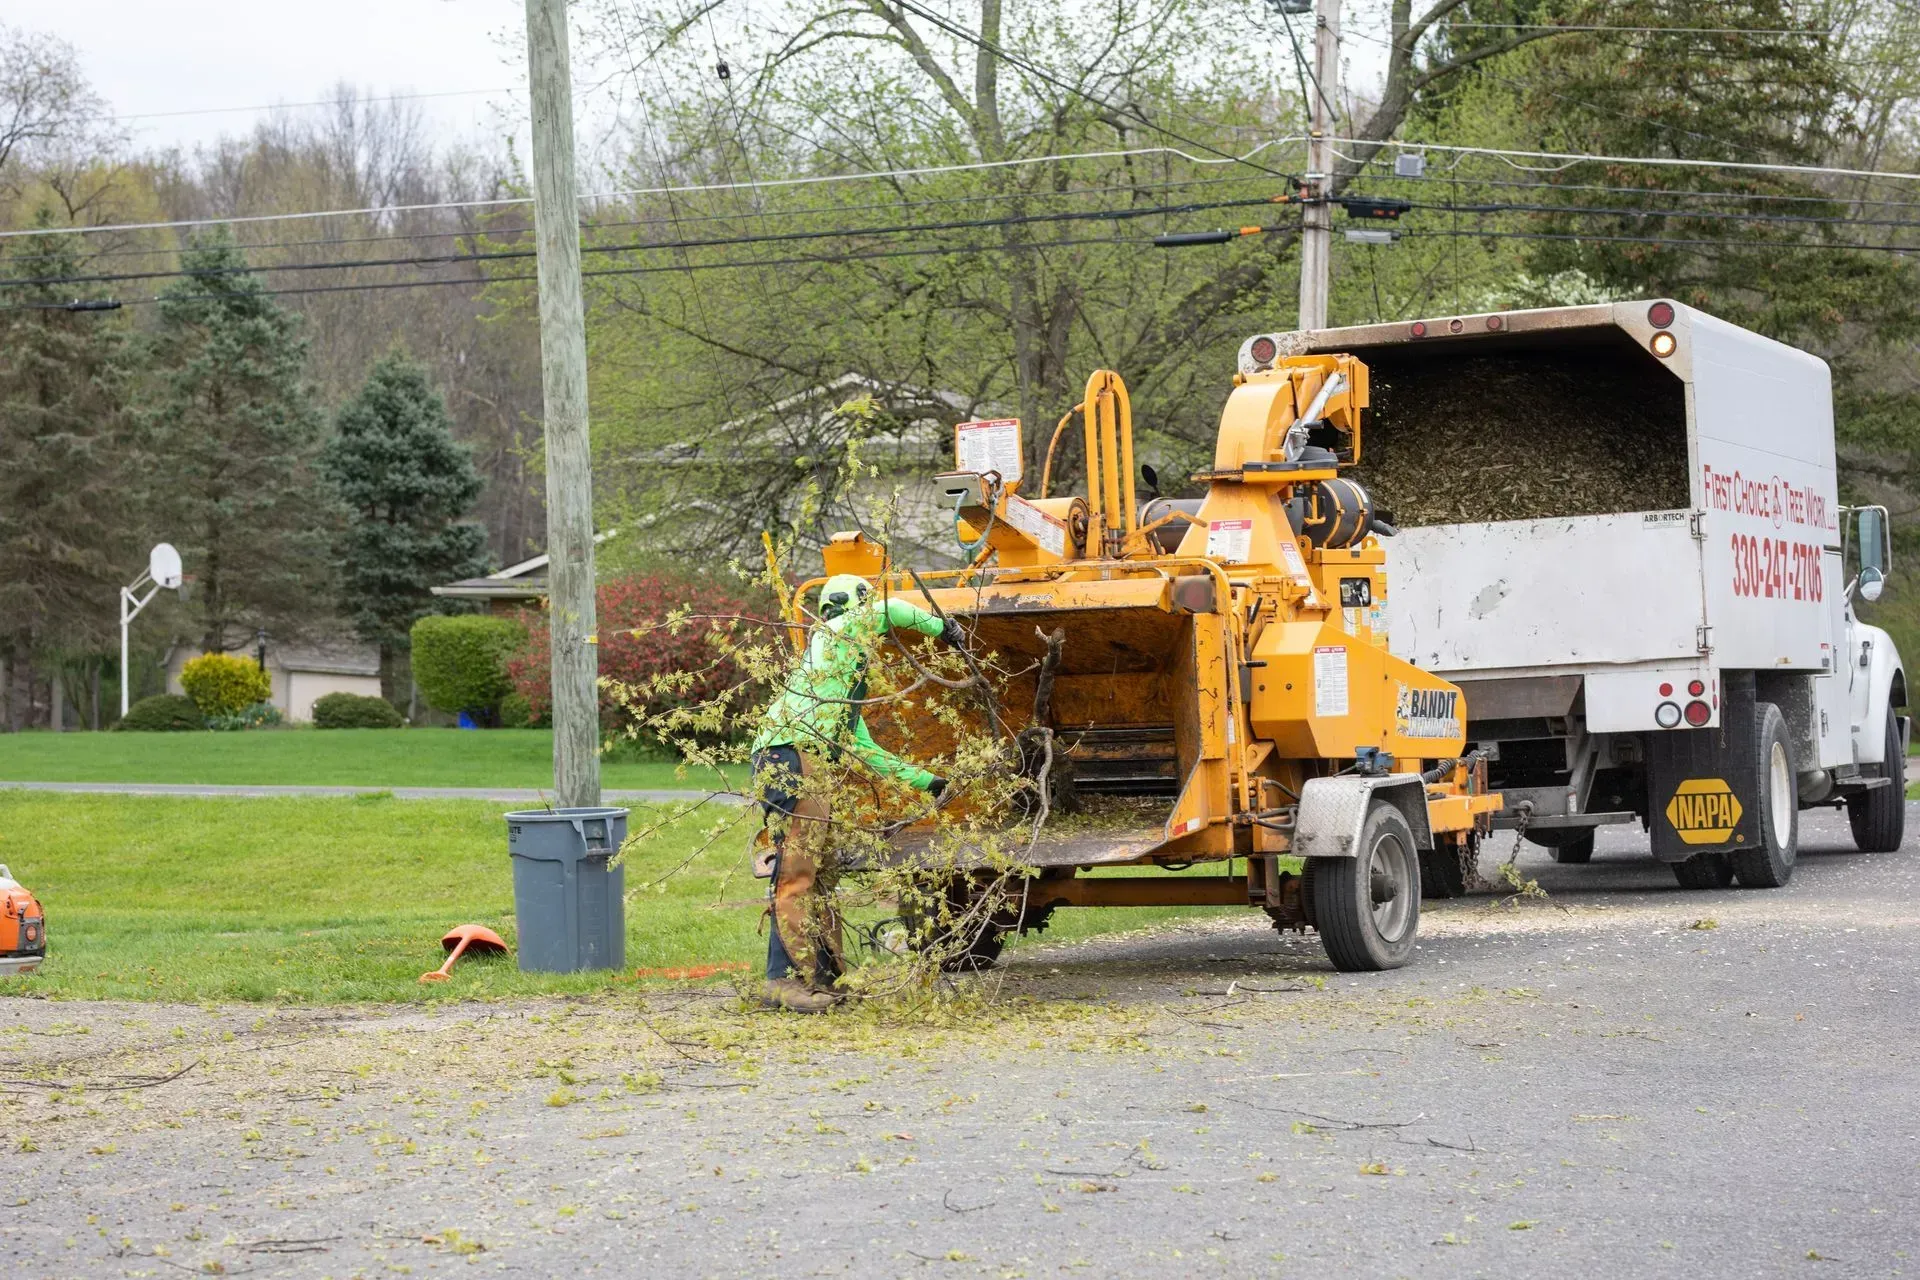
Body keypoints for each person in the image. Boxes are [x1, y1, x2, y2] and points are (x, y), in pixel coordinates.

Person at [750, 573, 961, 1013]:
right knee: (797, 871)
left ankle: (826, 978)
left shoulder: (835, 678)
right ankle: (784, 981)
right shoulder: (837, 631)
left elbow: (865, 749)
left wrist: (927, 782)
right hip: (791, 754)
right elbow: (892, 610)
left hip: (799, 755)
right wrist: (946, 630)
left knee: (818, 874)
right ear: (856, 607)